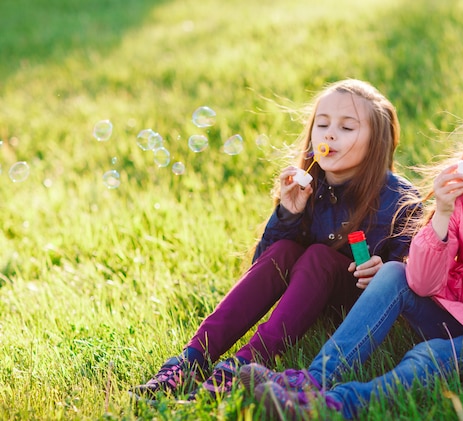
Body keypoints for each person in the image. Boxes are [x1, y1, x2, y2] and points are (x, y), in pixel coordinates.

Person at [242, 93, 463, 419]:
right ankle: (313, 380)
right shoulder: (459, 204)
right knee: (393, 273)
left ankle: (336, 404)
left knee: (428, 356)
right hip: (458, 317)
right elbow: (422, 283)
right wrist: (441, 212)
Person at [130, 79, 421, 402]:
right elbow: (264, 267)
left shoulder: (400, 199)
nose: (329, 134)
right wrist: (288, 213)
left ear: (376, 142)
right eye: (322, 124)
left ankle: (244, 365)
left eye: (347, 128)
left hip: (355, 309)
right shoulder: (308, 185)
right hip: (305, 299)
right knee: (286, 248)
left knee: (319, 257)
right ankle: (192, 358)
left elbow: (415, 281)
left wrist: (386, 270)